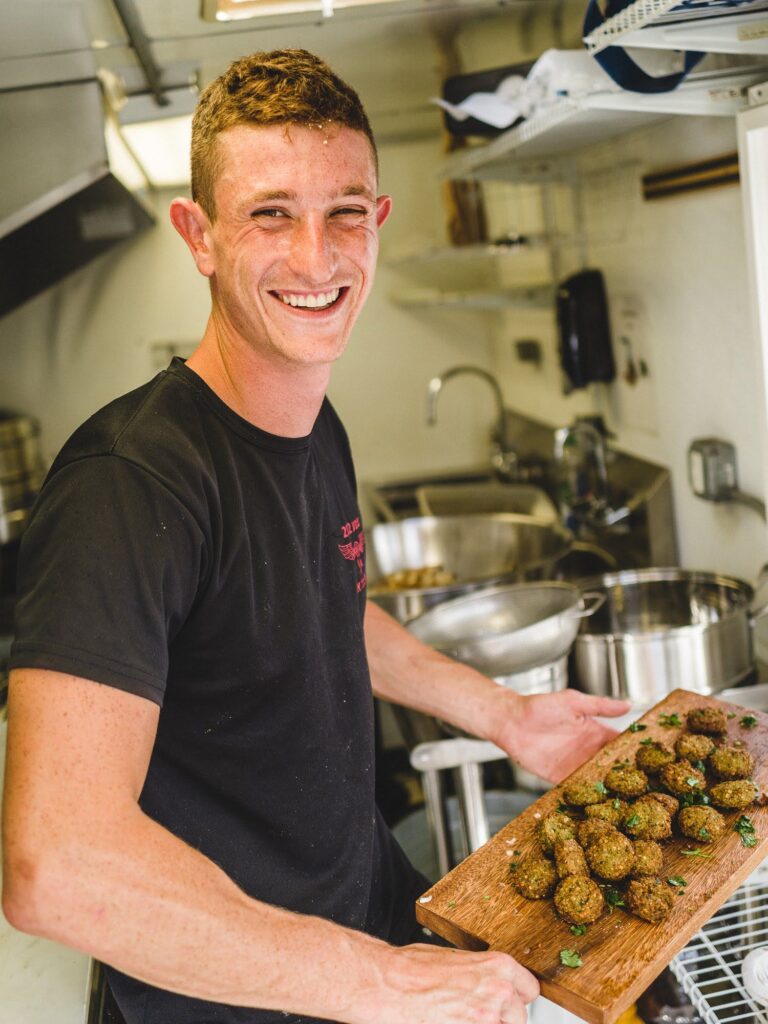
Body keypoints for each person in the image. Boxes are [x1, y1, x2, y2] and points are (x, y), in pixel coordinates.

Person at [1, 49, 629, 1024]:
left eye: (344, 210)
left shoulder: (311, 425)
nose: (316, 257)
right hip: (240, 997)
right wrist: (379, 982)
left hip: (359, 925)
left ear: (377, 221)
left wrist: (509, 716)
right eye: (269, 212)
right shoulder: (130, 481)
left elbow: (327, 603)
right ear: (198, 234)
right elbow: (57, 865)